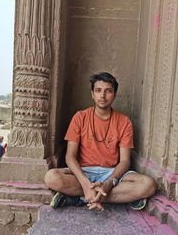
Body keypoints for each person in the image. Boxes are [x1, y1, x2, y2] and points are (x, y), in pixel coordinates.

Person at [45, 72, 156, 211]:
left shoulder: (124, 122)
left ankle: (80, 198)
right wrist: (85, 184)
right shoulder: (80, 117)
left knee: (148, 184)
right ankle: (117, 197)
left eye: (108, 91)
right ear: (92, 94)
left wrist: (110, 182)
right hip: (84, 171)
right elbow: (70, 156)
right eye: (98, 90)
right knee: (51, 177)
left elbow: (125, 161)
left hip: (112, 173)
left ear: (114, 94)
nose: (102, 95)